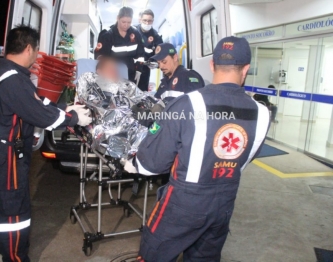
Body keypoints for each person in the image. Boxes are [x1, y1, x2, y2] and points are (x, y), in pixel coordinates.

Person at [124, 36, 270, 261]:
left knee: (153, 255)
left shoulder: (187, 104)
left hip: (184, 201)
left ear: (212, 65)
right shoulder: (262, 114)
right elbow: (244, 157)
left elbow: (151, 163)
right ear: (246, 69)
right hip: (224, 201)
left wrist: (133, 162)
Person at [0, 26, 91, 262]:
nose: (37, 54)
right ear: (28, 48)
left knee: (2, 205)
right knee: (14, 211)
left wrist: (65, 108)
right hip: (7, 156)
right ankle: (15, 256)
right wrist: (74, 118)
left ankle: (3, 245)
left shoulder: (5, 74)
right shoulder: (12, 81)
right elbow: (40, 115)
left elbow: (36, 103)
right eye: (37, 49)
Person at [94, 7, 145, 84]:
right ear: (117, 18)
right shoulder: (107, 35)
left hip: (131, 74)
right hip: (113, 74)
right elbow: (100, 57)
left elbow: (140, 55)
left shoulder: (136, 34)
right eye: (123, 22)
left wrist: (139, 70)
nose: (126, 25)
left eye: (129, 22)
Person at [135, 9, 163, 91]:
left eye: (150, 21)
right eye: (145, 20)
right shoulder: (133, 31)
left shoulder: (156, 36)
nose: (147, 23)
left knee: (142, 91)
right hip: (132, 66)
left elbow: (160, 53)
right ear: (140, 20)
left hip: (145, 68)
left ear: (153, 21)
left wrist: (156, 63)